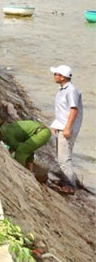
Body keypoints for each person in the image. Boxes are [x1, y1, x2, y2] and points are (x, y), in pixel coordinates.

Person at [49, 65, 83, 194]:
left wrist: (67, 128)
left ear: (62, 77)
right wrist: (55, 125)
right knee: (61, 156)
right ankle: (65, 179)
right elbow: (62, 111)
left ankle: (70, 185)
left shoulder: (71, 91)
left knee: (64, 158)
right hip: (61, 126)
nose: (54, 76)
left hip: (66, 129)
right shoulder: (62, 89)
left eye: (56, 74)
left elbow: (73, 110)